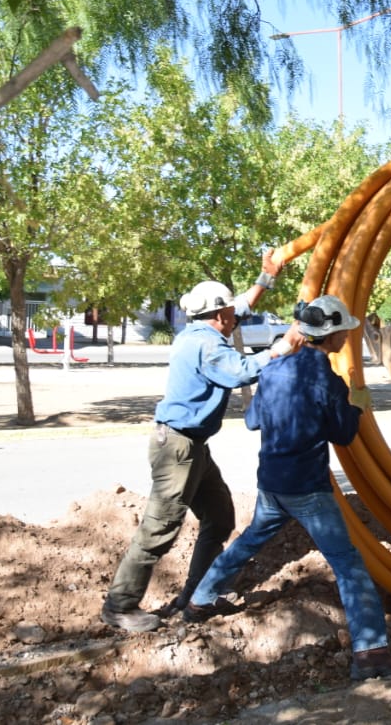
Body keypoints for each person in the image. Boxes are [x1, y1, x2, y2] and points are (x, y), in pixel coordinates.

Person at [183, 294, 391, 681]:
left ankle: (200, 602)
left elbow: (254, 422)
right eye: (343, 332)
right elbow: (343, 434)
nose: (346, 338)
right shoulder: (327, 380)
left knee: (248, 542)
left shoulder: (272, 371)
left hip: (272, 484)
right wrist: (356, 405)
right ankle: (372, 655)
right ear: (333, 334)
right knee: (350, 566)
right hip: (308, 489)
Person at [100, 251, 295, 633]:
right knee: (159, 530)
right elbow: (242, 372)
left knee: (220, 517)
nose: (235, 317)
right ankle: (120, 606)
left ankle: (198, 592)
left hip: (193, 447)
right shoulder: (207, 346)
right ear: (219, 316)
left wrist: (266, 277)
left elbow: (240, 304)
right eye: (230, 314)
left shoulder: (200, 330)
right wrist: (284, 345)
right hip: (178, 449)